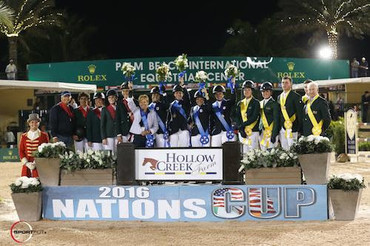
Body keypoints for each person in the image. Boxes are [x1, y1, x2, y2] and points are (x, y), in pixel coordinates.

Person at [19, 113, 49, 178]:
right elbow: (21, 151)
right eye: (32, 122)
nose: (34, 124)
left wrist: (36, 162)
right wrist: (26, 163)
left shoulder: (44, 135)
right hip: (27, 164)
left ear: (39, 123)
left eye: (36, 122)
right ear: (29, 123)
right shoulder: (24, 136)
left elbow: (46, 150)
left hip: (39, 164)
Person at [277, 76, 303, 150]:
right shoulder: (279, 97)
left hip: (293, 127)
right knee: (284, 149)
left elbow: (299, 113)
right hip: (282, 128)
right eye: (283, 83)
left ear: (291, 84)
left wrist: (299, 128)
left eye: (286, 83)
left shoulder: (296, 96)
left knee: (292, 149)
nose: (284, 84)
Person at [235, 80, 260, 153]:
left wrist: (242, 125)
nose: (246, 91)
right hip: (242, 131)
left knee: (253, 152)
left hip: (253, 131)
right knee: (244, 152)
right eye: (245, 90)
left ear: (252, 91)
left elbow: (254, 117)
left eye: (248, 90)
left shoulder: (256, 103)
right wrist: (241, 129)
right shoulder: (240, 103)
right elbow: (238, 117)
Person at [210, 81, 236, 147]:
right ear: (215, 95)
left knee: (228, 151)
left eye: (220, 93)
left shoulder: (227, 103)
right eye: (217, 94)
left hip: (226, 131)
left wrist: (233, 88)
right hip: (216, 131)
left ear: (223, 94)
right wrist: (211, 130)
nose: (218, 95)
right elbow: (211, 119)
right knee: (215, 151)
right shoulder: (213, 106)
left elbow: (233, 99)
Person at [258, 82, 280, 150]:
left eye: (267, 91)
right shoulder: (260, 103)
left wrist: (274, 134)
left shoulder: (275, 104)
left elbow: (276, 120)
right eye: (263, 91)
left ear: (271, 92)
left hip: (271, 132)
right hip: (262, 132)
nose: (265, 93)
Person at [101, 89, 118, 154]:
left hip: (117, 134)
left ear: (116, 98)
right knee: (109, 154)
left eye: (112, 97)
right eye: (109, 97)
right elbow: (102, 125)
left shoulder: (119, 108)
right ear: (107, 99)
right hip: (108, 135)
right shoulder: (105, 109)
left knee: (118, 153)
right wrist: (103, 137)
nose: (111, 99)